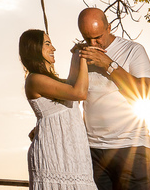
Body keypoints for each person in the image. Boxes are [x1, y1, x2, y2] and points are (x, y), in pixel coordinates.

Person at [76, 8, 150, 190]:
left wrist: (109, 65)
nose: (93, 43)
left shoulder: (133, 50)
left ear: (109, 28)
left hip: (131, 147)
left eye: (97, 37)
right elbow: (72, 96)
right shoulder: (79, 55)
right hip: (93, 151)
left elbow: (147, 94)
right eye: (87, 38)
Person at [20, 28, 97, 190]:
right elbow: (79, 92)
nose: (53, 48)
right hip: (54, 154)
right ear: (34, 49)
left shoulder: (51, 81)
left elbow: (72, 84)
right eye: (47, 44)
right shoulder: (34, 79)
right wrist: (82, 57)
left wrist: (75, 56)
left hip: (71, 153)